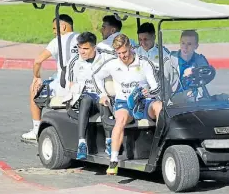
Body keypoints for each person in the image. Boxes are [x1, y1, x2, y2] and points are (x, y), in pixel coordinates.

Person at [93, 34, 163, 175]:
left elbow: (157, 87)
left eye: (124, 52)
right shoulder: (113, 64)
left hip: (143, 100)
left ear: (130, 48)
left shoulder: (144, 63)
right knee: (121, 119)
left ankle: (162, 148)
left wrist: (148, 92)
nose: (122, 56)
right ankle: (113, 160)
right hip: (124, 102)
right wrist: (102, 94)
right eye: (118, 53)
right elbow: (96, 76)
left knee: (159, 107)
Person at [21, 14, 79, 141]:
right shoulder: (82, 39)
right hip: (81, 84)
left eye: (54, 29)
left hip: (64, 86)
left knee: (33, 88)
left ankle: (36, 129)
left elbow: (37, 61)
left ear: (62, 27)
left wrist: (37, 76)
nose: (53, 32)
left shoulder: (58, 41)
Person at [64, 31, 114, 160]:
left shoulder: (106, 56)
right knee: (86, 100)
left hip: (102, 96)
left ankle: (109, 142)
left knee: (103, 101)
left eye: (85, 48)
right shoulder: (74, 62)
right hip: (83, 97)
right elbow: (70, 85)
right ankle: (82, 143)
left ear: (94, 47)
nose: (82, 52)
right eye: (79, 48)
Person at [164, 30, 210, 99]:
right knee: (189, 97)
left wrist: (193, 71)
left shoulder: (200, 60)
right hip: (175, 99)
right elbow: (164, 86)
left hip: (198, 98)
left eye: (189, 44)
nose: (185, 47)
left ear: (196, 46)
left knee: (228, 98)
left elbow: (208, 73)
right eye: (183, 43)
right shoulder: (170, 61)